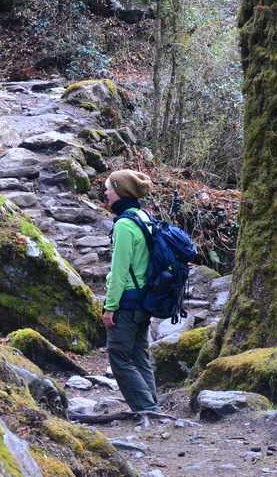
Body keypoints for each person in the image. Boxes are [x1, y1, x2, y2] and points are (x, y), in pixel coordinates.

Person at [103, 169, 159, 413]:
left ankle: (146, 408)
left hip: (127, 301)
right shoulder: (143, 216)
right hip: (144, 299)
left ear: (120, 191)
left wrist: (110, 307)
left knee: (119, 357)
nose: (105, 193)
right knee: (139, 355)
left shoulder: (125, 225)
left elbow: (119, 272)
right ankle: (152, 406)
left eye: (108, 188)